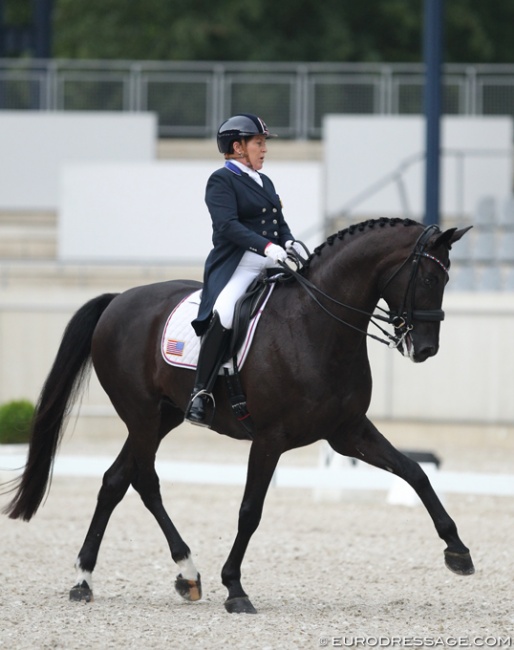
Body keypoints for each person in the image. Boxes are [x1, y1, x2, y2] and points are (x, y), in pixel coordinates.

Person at [186, 113, 302, 425]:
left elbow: (279, 221)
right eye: (259, 143)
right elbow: (227, 226)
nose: (264, 149)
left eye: (264, 144)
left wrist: (289, 242)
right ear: (238, 147)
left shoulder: (264, 181)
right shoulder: (221, 180)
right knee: (224, 311)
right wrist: (266, 246)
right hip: (239, 264)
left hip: (272, 260)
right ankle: (201, 392)